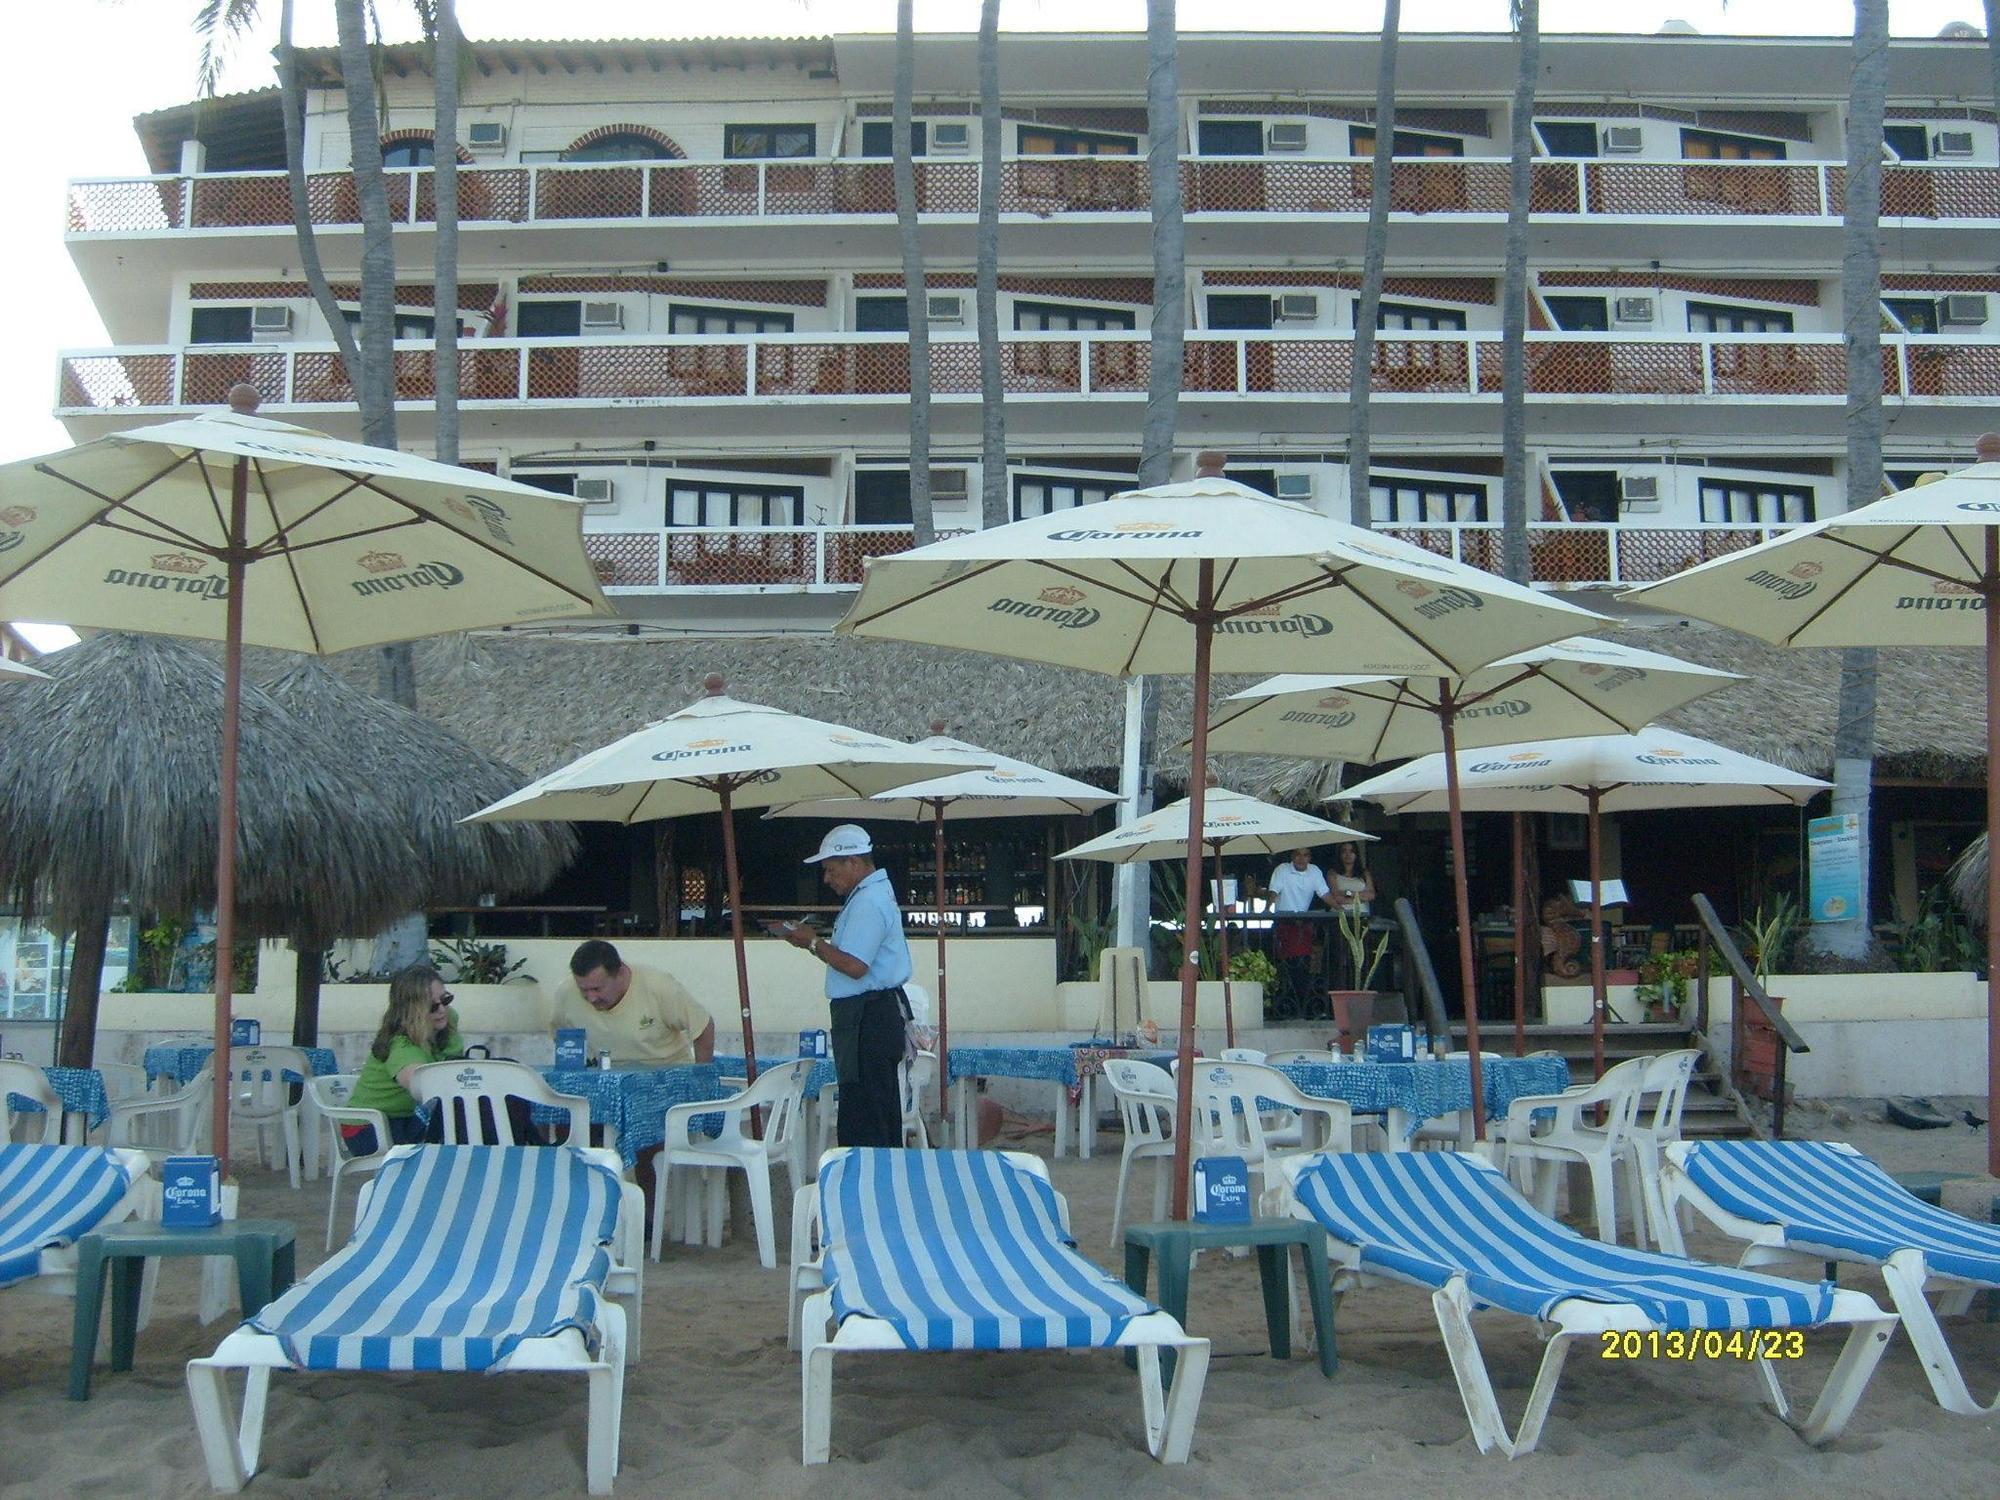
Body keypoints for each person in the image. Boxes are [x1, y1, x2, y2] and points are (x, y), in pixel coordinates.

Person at [773, 824, 910, 1149]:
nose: (827, 879)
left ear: (854, 862)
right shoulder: (871, 896)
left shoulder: (868, 902)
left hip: (868, 1016)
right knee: (874, 1109)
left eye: (831, 870)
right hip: (869, 1014)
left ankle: (866, 1188)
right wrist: (814, 945)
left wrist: (813, 942)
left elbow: (855, 966)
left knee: (865, 1116)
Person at [344, 964, 465, 1154]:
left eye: (445, 999)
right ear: (411, 1011)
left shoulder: (447, 1022)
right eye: (432, 1006)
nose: (442, 1009)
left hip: (405, 1117)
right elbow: (422, 1085)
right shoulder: (400, 1045)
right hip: (368, 1127)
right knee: (446, 1116)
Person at [548, 939, 716, 1065]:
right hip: (604, 1082)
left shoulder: (658, 986)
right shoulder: (566, 993)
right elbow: (562, 1039)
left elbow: (703, 1027)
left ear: (620, 973)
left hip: (666, 1078)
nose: (591, 998)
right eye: (583, 990)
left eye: (597, 989)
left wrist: (701, 1078)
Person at [1265, 847, 1333, 1017]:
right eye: (1297, 855)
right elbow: (1274, 891)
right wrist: (1267, 909)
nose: (1301, 859)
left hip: (1304, 926)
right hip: (1285, 925)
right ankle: (1287, 1007)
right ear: (1292, 857)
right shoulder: (1282, 870)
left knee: (1303, 965)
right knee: (1286, 965)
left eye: (1305, 855)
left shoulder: (1315, 871)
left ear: (1309, 857)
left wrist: (1339, 910)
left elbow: (1324, 894)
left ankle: (1303, 1006)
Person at [1327, 840, 1379, 991]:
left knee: (1359, 958)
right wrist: (1358, 895)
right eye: (1344, 851)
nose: (1348, 855)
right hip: (1340, 920)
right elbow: (1336, 897)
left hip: (1361, 919)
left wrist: (1348, 893)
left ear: (1356, 854)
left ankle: (1360, 989)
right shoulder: (1333, 873)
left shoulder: (1364, 873)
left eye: (1351, 851)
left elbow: (1371, 894)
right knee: (1340, 958)